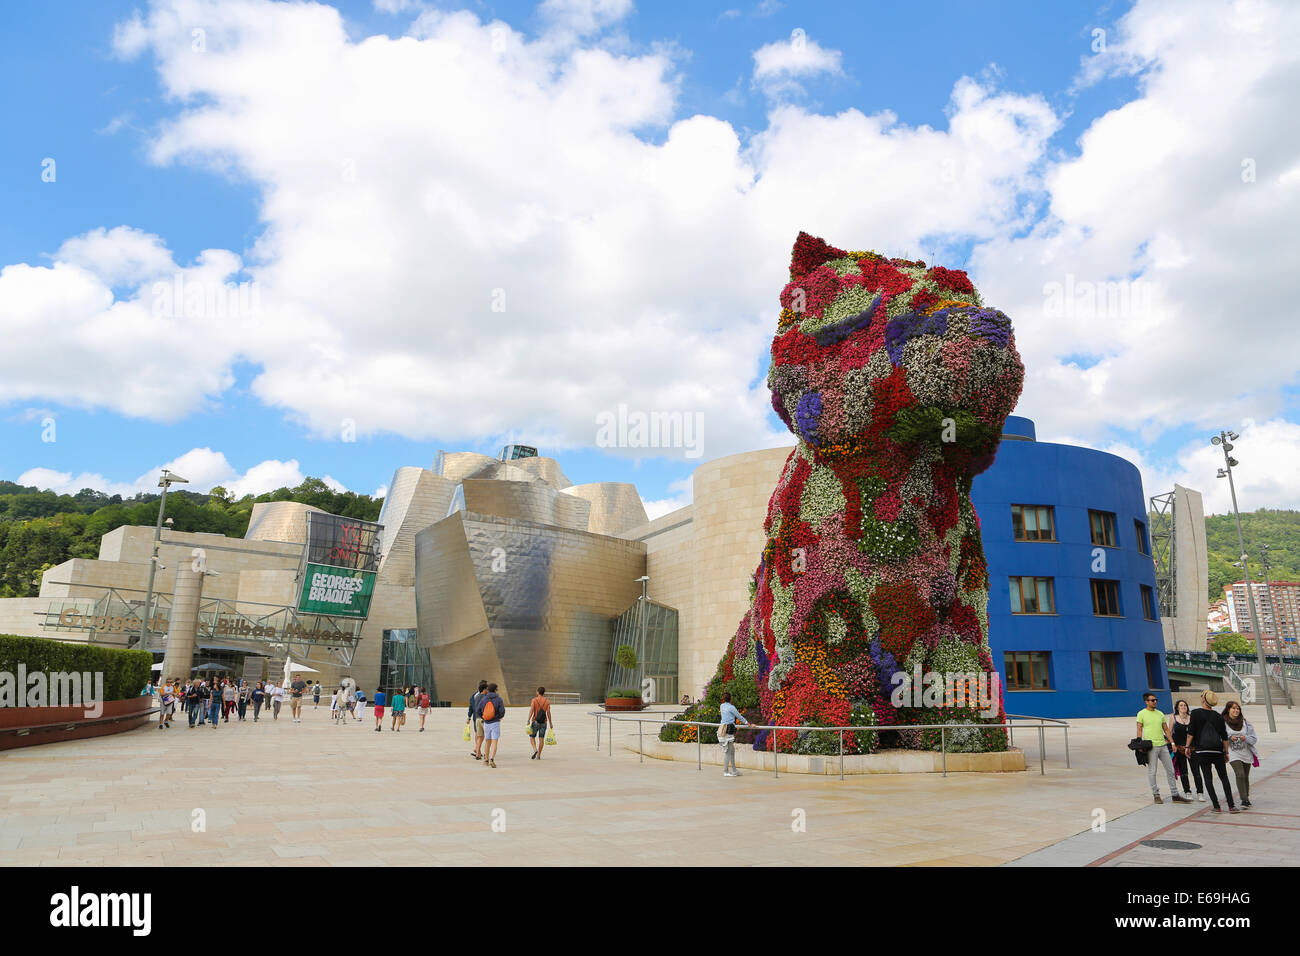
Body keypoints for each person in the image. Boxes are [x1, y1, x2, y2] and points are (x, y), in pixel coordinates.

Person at [1189, 690, 1238, 813]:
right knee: (1224, 778)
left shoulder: (1195, 713)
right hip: (1217, 751)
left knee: (1208, 778)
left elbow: (1191, 733)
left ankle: (1216, 806)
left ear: (1203, 700)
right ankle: (1231, 805)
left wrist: (1186, 747)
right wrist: (1226, 752)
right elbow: (1224, 737)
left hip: (1202, 751)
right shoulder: (1218, 716)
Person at [1135, 693, 1188, 804]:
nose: (1155, 702)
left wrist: (1172, 743)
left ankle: (1175, 795)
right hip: (1151, 747)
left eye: (1156, 700)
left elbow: (1166, 730)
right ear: (1146, 702)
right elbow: (1139, 730)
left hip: (1163, 746)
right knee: (1152, 771)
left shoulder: (1160, 714)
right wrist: (1139, 744)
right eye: (1152, 700)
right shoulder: (1141, 714)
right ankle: (1156, 795)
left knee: (1171, 770)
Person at [1224, 700, 1258, 809]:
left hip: (1246, 752)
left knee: (1245, 776)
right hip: (1233, 753)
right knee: (1240, 774)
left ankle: (1246, 798)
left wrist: (1245, 738)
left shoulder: (1245, 723)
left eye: (1238, 708)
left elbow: (1253, 739)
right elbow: (1220, 737)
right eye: (1233, 708)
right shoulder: (1223, 722)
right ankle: (1244, 799)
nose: (1236, 710)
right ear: (1228, 709)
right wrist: (1229, 738)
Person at [1169, 699, 1205, 802]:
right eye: (1181, 705)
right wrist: (1172, 744)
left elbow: (1196, 733)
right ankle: (1187, 792)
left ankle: (1200, 792)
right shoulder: (1173, 718)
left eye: (1185, 705)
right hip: (1179, 749)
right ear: (1177, 708)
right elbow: (1169, 732)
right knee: (1184, 772)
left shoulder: (1192, 718)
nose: (1183, 707)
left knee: (1196, 771)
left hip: (1191, 749)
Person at [719, 691, 749, 777]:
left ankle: (734, 770)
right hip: (728, 730)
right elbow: (740, 717)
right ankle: (726, 771)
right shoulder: (731, 707)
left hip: (722, 729)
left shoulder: (722, 706)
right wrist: (748, 723)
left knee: (731, 751)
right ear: (730, 699)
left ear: (723, 699)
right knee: (728, 751)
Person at [476, 682, 505, 767]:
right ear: (496, 690)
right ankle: (492, 758)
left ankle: (486, 760)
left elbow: (478, 710)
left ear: (488, 690)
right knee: (494, 742)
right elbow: (502, 711)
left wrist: (484, 717)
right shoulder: (499, 699)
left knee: (487, 742)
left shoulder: (484, 699)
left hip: (486, 723)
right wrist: (499, 717)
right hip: (495, 722)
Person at [528, 686, 552, 759]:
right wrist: (551, 723)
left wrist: (528, 719)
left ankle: (535, 750)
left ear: (538, 692)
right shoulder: (547, 701)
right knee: (541, 739)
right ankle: (539, 755)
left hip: (535, 721)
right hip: (544, 722)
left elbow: (532, 710)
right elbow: (548, 713)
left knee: (532, 737)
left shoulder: (534, 700)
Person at [466, 680, 488, 760]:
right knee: (483, 736)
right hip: (483, 718)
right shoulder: (486, 696)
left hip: (476, 717)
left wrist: (469, 717)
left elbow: (471, 707)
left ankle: (477, 750)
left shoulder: (474, 696)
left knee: (478, 734)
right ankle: (479, 751)